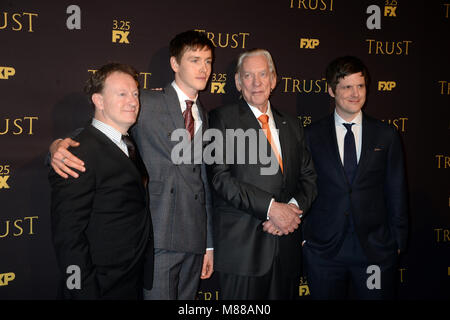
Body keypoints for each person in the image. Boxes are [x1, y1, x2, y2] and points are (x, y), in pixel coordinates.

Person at [48, 30, 215, 300]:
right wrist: (57, 148)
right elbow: (99, 132)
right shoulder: (146, 100)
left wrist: (207, 243)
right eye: (195, 60)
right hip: (157, 237)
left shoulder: (204, 115)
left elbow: (203, 180)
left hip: (193, 238)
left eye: (208, 61)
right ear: (175, 64)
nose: (204, 68)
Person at [207, 49, 317, 299]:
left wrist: (289, 212)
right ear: (238, 82)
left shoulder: (292, 124)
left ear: (274, 79)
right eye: (248, 76)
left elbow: (309, 179)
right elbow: (220, 178)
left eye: (262, 75)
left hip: (286, 248)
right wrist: (271, 209)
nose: (256, 83)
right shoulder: (221, 119)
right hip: (242, 252)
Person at [302, 56, 408, 299]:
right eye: (347, 86)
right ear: (331, 90)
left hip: (374, 250)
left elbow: (396, 189)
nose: (355, 93)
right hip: (324, 250)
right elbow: (302, 187)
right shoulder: (311, 135)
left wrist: (398, 241)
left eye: (360, 86)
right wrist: (305, 239)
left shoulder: (386, 135)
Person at [48, 62, 153, 299]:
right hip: (98, 287)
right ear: (99, 101)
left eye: (136, 93)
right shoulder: (77, 153)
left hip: (129, 280)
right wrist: (83, 291)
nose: (133, 101)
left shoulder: (127, 143)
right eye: (122, 94)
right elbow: (68, 236)